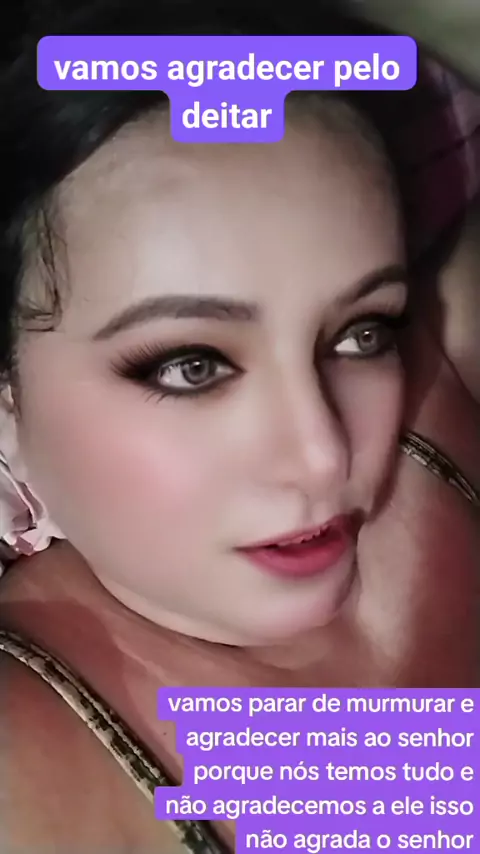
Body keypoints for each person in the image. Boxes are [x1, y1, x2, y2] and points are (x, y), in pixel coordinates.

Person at [0, 2, 479, 852]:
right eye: (192, 365)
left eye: (360, 332)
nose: (324, 454)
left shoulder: (437, 386)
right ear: (8, 415)